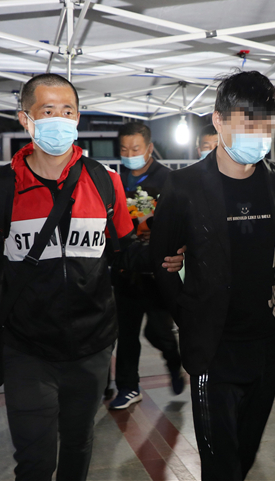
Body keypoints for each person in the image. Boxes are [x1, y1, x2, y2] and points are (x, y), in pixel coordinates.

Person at [0, 73, 180, 481]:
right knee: (35, 462)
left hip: (93, 347)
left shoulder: (105, 181)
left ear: (78, 117)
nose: (59, 119)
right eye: (47, 110)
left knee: (78, 445)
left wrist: (167, 254)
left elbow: (125, 251)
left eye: (67, 111)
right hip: (26, 348)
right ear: (26, 119)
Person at [150, 70, 275, 481]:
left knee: (245, 453)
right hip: (214, 349)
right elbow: (161, 264)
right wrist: (191, 316)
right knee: (220, 465)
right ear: (218, 120)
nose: (259, 134)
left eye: (266, 125)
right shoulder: (183, 186)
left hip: (268, 346)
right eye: (247, 123)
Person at [109, 122, 183, 410]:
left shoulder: (169, 179)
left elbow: (181, 222)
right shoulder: (115, 180)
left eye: (135, 149)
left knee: (158, 331)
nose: (130, 154)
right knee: (126, 334)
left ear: (149, 148)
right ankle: (128, 387)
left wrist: (162, 234)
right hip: (125, 270)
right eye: (124, 149)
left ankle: (174, 360)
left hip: (156, 272)